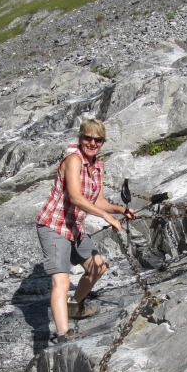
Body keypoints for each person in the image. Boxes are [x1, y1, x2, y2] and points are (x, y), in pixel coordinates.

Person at [36, 119, 134, 342]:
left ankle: (74, 306)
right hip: (54, 225)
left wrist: (120, 210)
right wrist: (106, 217)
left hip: (74, 228)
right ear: (80, 138)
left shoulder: (98, 166)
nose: (92, 143)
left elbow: (97, 200)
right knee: (61, 281)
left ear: (102, 142)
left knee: (98, 267)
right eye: (87, 138)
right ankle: (63, 333)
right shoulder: (73, 160)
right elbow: (75, 197)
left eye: (97, 139)